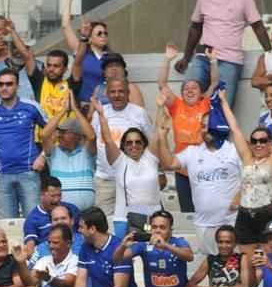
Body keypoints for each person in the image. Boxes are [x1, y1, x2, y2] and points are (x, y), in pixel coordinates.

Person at [156, 98, 242, 256]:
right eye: (202, 126)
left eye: (209, 125)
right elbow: (169, 163)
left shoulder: (234, 150)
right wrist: (162, 137)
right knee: (211, 269)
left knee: (233, 268)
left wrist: (239, 196)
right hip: (203, 224)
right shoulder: (192, 152)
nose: (205, 129)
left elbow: (251, 176)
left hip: (231, 222)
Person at [215, 91, 272, 249]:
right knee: (246, 265)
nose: (258, 144)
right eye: (254, 141)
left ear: (270, 143)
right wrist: (224, 101)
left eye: (263, 141)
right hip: (245, 215)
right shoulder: (247, 157)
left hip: (267, 214)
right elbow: (235, 128)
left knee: (265, 263)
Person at [177, 0, 270, 108]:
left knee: (222, 107)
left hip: (229, 61)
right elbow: (195, 28)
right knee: (189, 94)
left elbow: (258, 26)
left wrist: (270, 55)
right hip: (203, 58)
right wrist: (186, 58)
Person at [0, 68, 47, 219]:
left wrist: (43, 156)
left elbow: (51, 131)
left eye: (9, 84)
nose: (4, 88)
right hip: (3, 174)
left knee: (32, 221)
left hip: (29, 171)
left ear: (18, 86)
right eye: (1, 84)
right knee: (6, 223)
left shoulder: (32, 106)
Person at [159, 44, 219, 213]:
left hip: (204, 168)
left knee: (205, 209)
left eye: (194, 88)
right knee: (187, 212)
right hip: (182, 169)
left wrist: (213, 60)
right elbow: (162, 84)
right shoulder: (176, 106)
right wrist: (167, 60)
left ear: (201, 93)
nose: (189, 91)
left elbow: (214, 82)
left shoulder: (205, 103)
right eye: (186, 88)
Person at [93, 96, 167, 224]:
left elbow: (158, 131)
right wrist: (101, 115)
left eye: (138, 142)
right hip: (125, 220)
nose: (134, 145)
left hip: (152, 220)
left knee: (150, 243)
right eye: (129, 142)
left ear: (144, 144)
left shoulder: (151, 157)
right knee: (129, 244)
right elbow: (108, 139)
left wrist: (160, 107)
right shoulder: (119, 161)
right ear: (124, 146)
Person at [90, 78, 154, 216]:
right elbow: (93, 140)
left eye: (121, 91)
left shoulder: (139, 113)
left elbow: (151, 143)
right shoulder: (99, 114)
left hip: (133, 179)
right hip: (105, 180)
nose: (117, 95)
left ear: (128, 93)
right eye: (113, 92)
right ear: (107, 94)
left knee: (137, 220)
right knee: (103, 223)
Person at [21, 177, 76, 255]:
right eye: (53, 196)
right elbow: (30, 250)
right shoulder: (32, 219)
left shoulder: (72, 209)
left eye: (59, 195)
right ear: (42, 195)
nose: (57, 200)